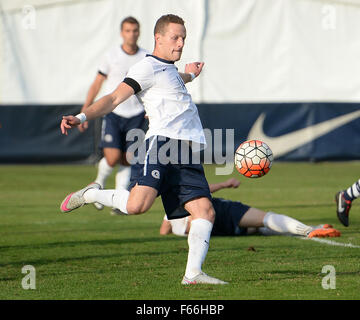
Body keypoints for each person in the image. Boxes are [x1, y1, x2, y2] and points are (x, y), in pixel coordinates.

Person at [60, 14, 227, 285]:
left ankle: (193, 274)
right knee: (137, 206)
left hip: (186, 151)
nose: (181, 42)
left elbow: (175, 78)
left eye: (183, 37)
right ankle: (93, 194)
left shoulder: (169, 68)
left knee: (205, 211)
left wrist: (192, 74)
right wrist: (81, 117)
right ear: (158, 38)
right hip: (162, 145)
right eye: (175, 37)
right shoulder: (145, 67)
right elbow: (113, 97)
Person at [78, 17, 148, 215]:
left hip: (136, 114)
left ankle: (118, 199)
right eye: (128, 30)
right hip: (114, 113)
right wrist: (86, 109)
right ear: (122, 33)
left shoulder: (146, 57)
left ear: (139, 32)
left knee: (128, 159)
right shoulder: (111, 55)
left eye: (135, 30)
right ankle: (98, 183)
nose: (131, 34)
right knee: (112, 157)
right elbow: (97, 83)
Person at [160, 178, 341, 238]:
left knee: (260, 228)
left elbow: (163, 231)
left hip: (227, 229)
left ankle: (314, 230)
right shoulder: (179, 207)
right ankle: (310, 231)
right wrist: (224, 184)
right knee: (267, 219)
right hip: (224, 212)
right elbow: (201, 192)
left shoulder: (173, 216)